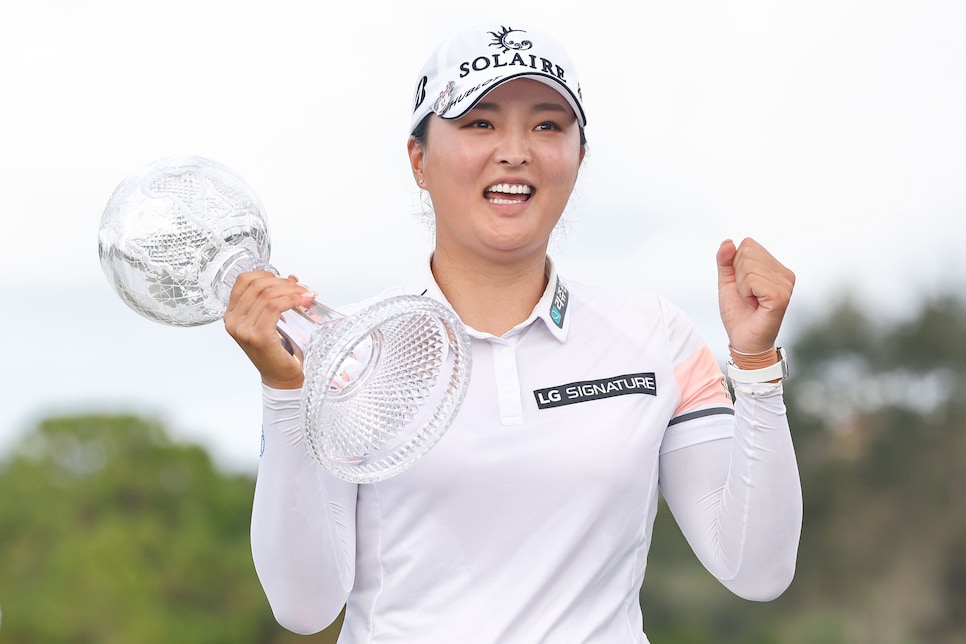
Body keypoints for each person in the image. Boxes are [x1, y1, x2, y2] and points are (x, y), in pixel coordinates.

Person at [224, 21, 803, 643]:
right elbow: (304, 605)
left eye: (548, 124)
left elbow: (756, 568)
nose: (516, 150)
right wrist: (287, 390)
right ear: (419, 159)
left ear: (580, 157)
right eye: (481, 122)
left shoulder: (656, 335)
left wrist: (756, 364)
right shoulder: (353, 351)